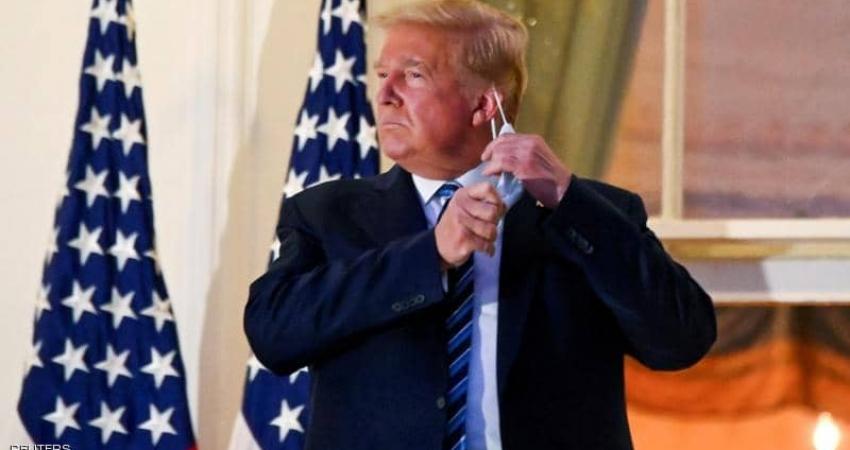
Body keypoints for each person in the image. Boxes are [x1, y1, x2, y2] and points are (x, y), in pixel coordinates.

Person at [244, 1, 716, 449]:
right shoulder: (327, 214)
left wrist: (570, 201)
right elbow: (272, 335)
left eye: (413, 75)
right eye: (383, 75)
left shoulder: (592, 215)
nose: (385, 96)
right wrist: (428, 255)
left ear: (485, 106)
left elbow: (681, 339)